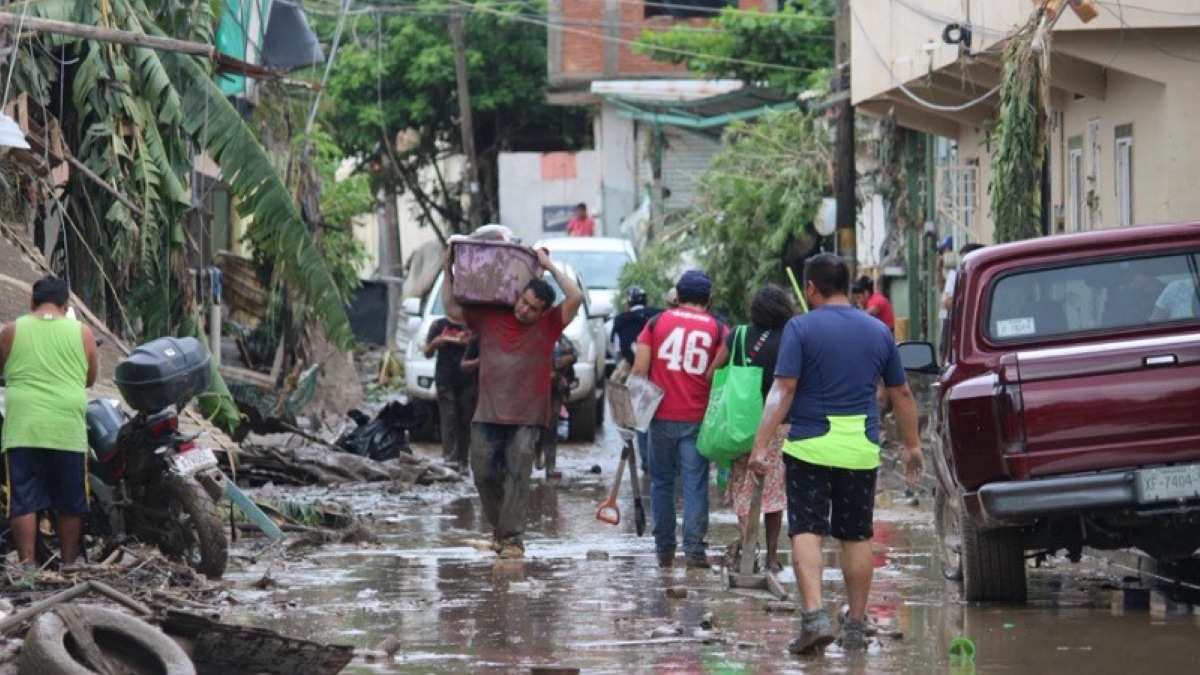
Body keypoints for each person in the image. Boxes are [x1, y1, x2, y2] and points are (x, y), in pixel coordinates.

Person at [748, 254, 923, 654]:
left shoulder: (800, 327)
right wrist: (913, 445)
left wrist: (761, 444)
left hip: (809, 447)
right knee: (856, 535)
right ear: (846, 285)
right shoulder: (877, 331)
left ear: (810, 287)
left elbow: (783, 389)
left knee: (807, 530)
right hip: (859, 448)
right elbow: (902, 392)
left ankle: (815, 617)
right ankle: (856, 627)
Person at [442, 247, 584, 559]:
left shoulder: (549, 325)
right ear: (518, 296)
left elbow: (576, 297)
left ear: (543, 312)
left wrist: (549, 265)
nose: (524, 310)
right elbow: (451, 309)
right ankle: (501, 531)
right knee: (482, 473)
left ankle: (512, 540)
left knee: (519, 472)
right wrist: (446, 270)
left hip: (528, 415)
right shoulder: (490, 315)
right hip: (488, 412)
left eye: (533, 308)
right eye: (523, 302)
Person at [0, 275, 100, 567]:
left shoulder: (12, 330)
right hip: (66, 428)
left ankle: (28, 570)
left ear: (32, 301)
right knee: (69, 502)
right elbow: (90, 379)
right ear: (66, 305)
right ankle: (68, 567)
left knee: (24, 500)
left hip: (24, 426)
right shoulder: (83, 333)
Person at [632, 270, 727, 569]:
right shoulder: (718, 328)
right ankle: (694, 549)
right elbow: (721, 374)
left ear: (678, 296)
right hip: (698, 418)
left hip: (660, 416)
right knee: (695, 482)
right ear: (709, 298)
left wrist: (634, 415)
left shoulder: (655, 323)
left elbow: (639, 370)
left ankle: (664, 549)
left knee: (661, 482)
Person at [705, 284, 794, 574]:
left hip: (741, 425)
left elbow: (712, 373)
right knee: (774, 493)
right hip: (779, 424)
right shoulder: (790, 337)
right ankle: (771, 557)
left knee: (744, 488)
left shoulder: (739, 335)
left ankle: (748, 548)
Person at [610, 285, 661, 468]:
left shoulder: (620, 321)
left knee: (639, 419)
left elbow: (617, 352)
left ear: (628, 302)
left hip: (635, 373)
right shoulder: (659, 316)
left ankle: (645, 460)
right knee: (657, 419)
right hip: (657, 373)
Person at [424, 317, 477, 471]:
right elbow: (427, 352)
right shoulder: (439, 325)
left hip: (468, 381)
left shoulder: (475, 325)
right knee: (449, 418)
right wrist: (435, 343)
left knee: (465, 420)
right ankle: (449, 460)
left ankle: (462, 459)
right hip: (445, 379)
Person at [537, 333, 576, 479]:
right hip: (533, 390)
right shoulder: (533, 334)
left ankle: (550, 466)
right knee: (533, 427)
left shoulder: (560, 337)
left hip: (555, 389)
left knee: (551, 427)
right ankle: (536, 457)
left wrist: (556, 365)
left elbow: (573, 355)